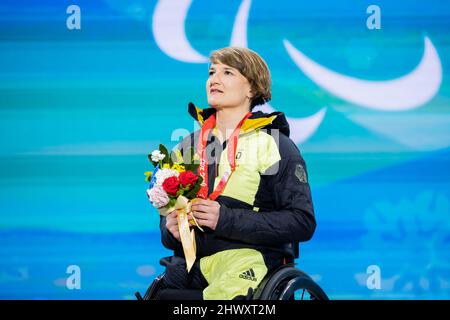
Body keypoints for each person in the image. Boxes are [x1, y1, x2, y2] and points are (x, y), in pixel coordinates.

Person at [157, 47, 316, 300]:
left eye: (227, 72)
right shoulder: (187, 146)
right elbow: (167, 221)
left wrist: (225, 218)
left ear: (251, 89)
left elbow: (302, 222)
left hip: (247, 262)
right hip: (191, 264)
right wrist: (171, 229)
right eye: (211, 72)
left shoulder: (275, 144)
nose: (214, 79)